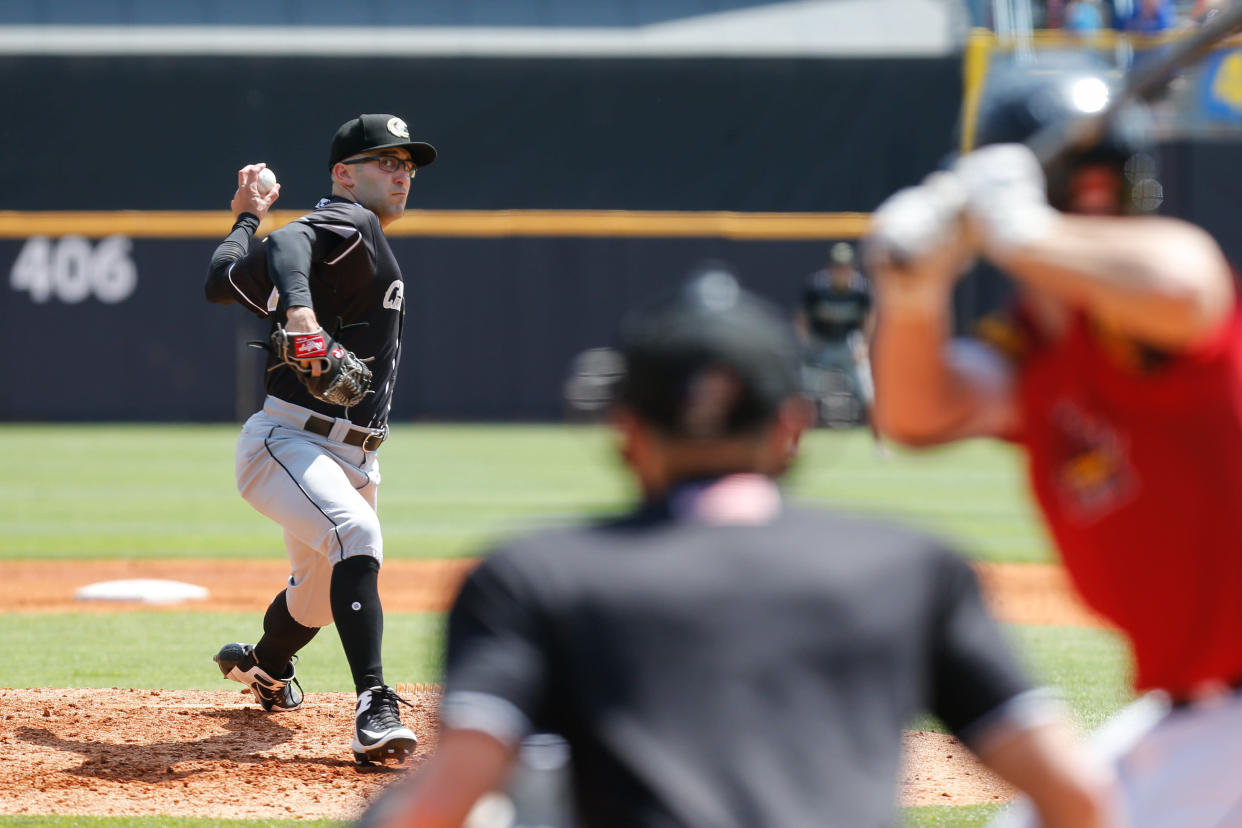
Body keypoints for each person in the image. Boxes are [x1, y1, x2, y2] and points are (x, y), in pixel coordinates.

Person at [357, 272, 1117, 828]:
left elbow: (446, 804)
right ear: (794, 428)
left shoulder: (532, 576)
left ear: (624, 430)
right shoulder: (913, 567)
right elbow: (1077, 798)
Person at [867, 65, 1242, 824]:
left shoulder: (1156, 297)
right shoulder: (1039, 351)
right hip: (1201, 714)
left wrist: (1022, 229)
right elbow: (917, 412)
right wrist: (913, 292)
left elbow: (1185, 285)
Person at [203, 113, 437, 765]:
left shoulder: (346, 244)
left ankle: (265, 666)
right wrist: (301, 314)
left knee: (317, 596)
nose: (401, 174)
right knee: (356, 537)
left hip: (350, 454)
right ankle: (375, 706)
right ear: (344, 174)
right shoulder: (347, 222)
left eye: (407, 166)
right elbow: (291, 244)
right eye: (385, 161)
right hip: (289, 442)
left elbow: (221, 280)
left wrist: (244, 217)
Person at [794, 242, 878, 434]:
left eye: (846, 265)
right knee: (805, 396)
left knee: (868, 394)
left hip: (848, 343)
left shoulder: (860, 289)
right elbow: (801, 318)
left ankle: (881, 444)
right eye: (838, 265)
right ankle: (794, 445)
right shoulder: (816, 287)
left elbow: (870, 317)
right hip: (821, 341)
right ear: (830, 266)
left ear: (851, 267)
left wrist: (864, 345)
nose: (842, 270)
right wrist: (807, 343)